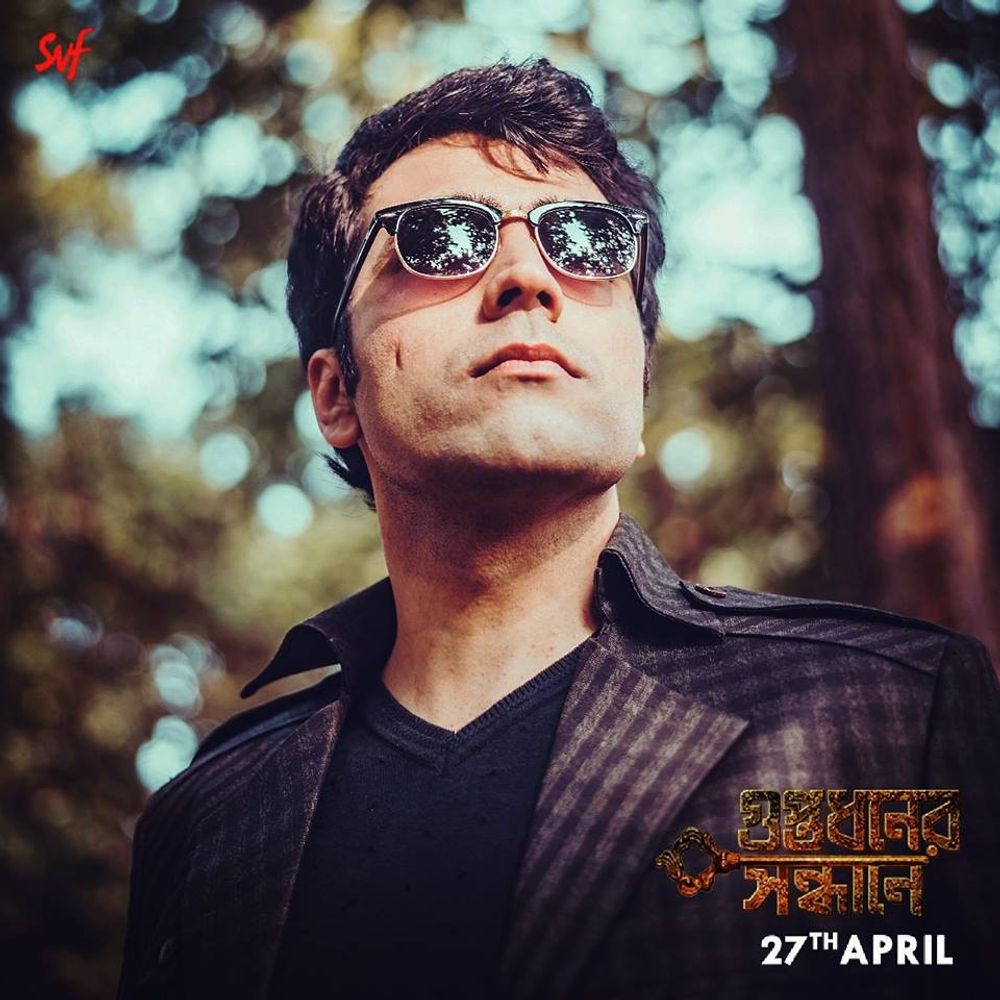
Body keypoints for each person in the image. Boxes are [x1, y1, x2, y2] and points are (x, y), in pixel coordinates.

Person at [118, 59, 1000, 999]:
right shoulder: (207, 818)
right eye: (441, 237)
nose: (527, 278)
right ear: (336, 394)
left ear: (639, 378)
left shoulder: (887, 714)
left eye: (586, 241)